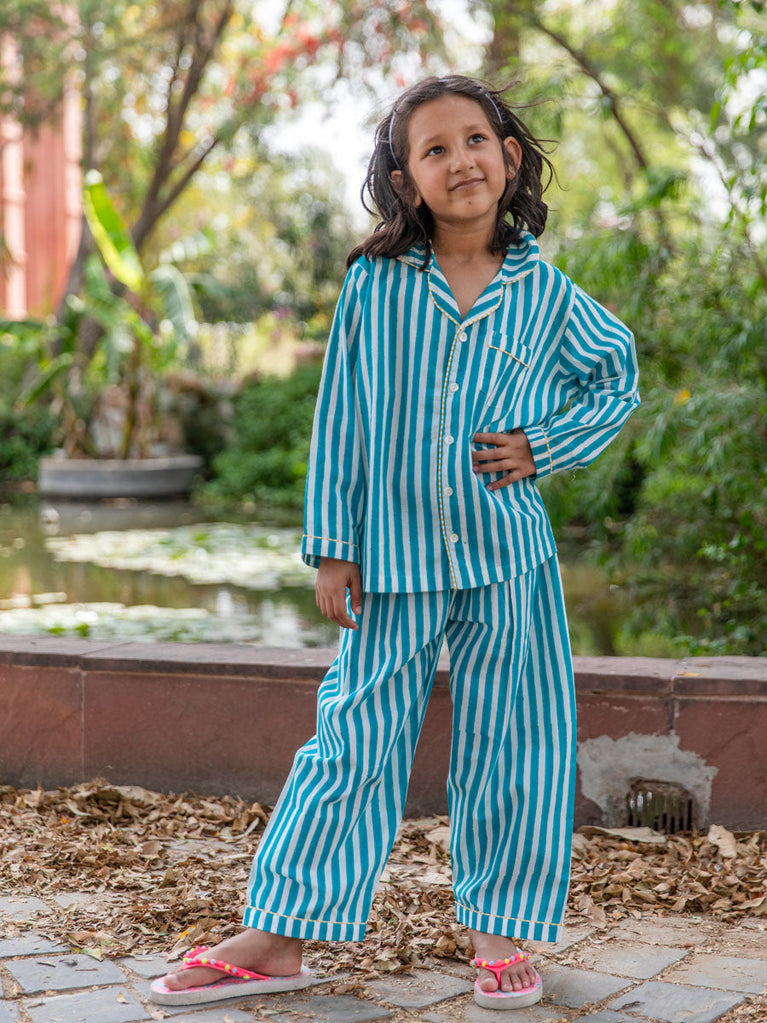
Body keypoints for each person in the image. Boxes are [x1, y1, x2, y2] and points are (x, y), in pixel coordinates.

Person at [151, 73, 639, 1012]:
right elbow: (342, 418)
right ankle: (279, 933)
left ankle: (499, 929)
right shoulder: (375, 286)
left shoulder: (546, 294)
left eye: (475, 140)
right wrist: (334, 545)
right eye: (434, 149)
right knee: (353, 738)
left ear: (509, 156)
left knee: (516, 740)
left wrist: (543, 446)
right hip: (394, 560)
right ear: (407, 179)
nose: (460, 160)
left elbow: (615, 377)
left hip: (508, 557)